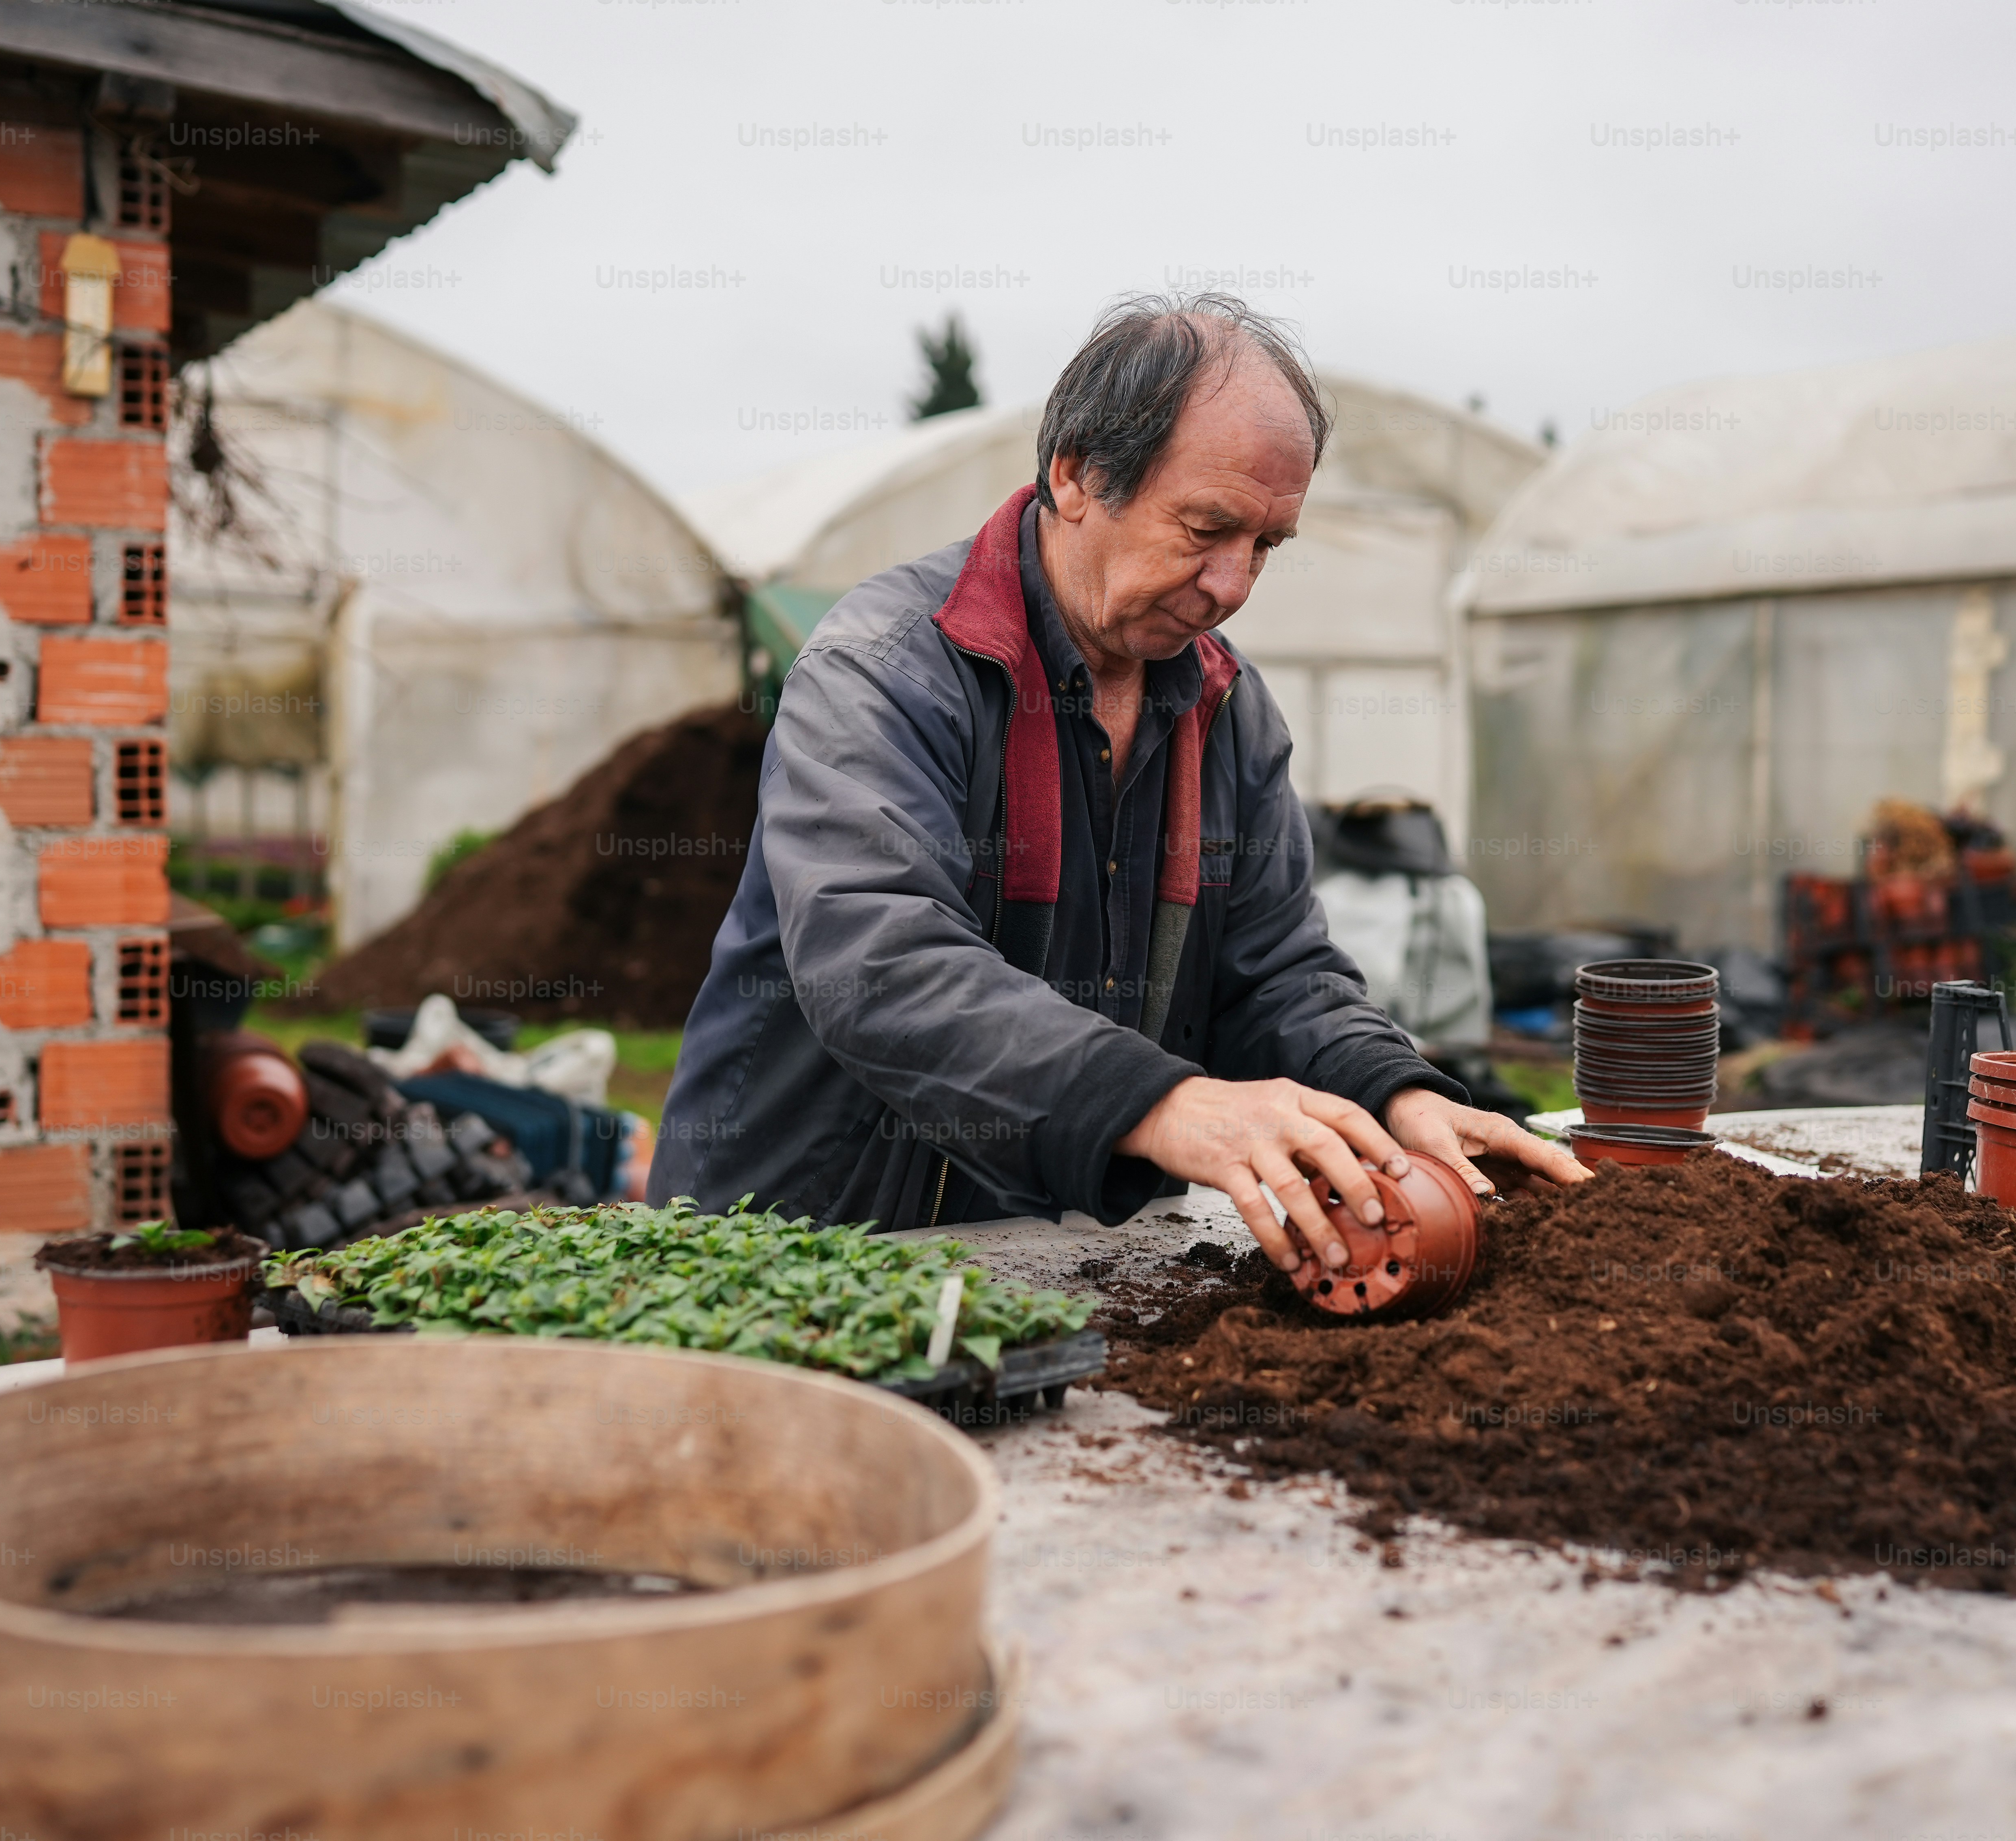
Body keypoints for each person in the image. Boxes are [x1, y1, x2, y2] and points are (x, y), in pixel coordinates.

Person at [653, 294, 1584, 1274]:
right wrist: (1162, 1103)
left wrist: (1395, 1086)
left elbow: (1275, 972)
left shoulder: (1226, 707)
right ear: (1077, 476)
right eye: (1207, 527)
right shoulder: (888, 668)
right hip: (804, 1250)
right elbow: (879, 960)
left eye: (1265, 545)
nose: (1232, 584)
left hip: (1059, 1264)